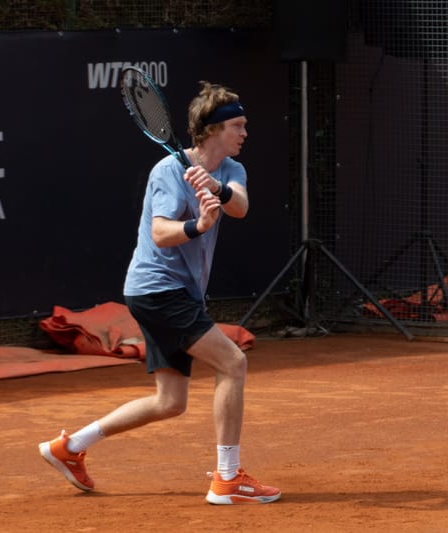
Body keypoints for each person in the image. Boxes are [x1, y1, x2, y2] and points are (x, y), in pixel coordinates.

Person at [38, 81, 281, 505]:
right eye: (237, 125)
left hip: (175, 293)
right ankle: (227, 478)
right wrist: (198, 226)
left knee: (170, 402)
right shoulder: (168, 171)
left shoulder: (232, 170)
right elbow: (160, 233)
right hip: (159, 289)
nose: (244, 133)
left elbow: (239, 205)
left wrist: (217, 190)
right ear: (212, 130)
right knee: (233, 362)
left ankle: (70, 448)